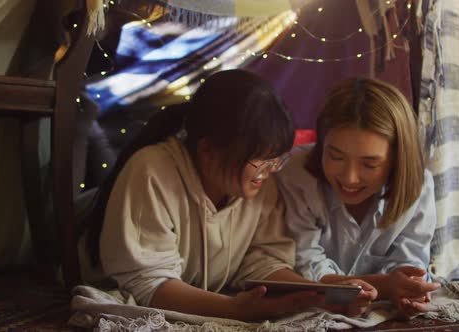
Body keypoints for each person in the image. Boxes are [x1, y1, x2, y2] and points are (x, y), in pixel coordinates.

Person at [77, 69, 377, 321]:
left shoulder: (260, 185)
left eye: (277, 160)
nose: (270, 171)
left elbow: (263, 261)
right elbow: (146, 283)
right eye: (260, 160)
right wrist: (235, 309)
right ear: (208, 151)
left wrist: (314, 294)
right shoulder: (152, 172)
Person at [275, 77, 440, 318]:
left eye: (370, 164)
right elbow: (302, 265)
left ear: (397, 160)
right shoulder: (295, 172)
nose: (350, 178)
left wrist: (409, 290)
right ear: (322, 145)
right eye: (336, 157)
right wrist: (385, 286)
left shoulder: (419, 185)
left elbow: (410, 265)